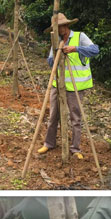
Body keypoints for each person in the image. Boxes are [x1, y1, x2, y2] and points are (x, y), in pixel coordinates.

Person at [38, 12, 99, 160]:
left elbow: (95, 50)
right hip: (58, 84)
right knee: (53, 115)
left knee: (75, 118)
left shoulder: (80, 37)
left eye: (59, 28)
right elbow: (50, 61)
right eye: (55, 28)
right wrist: (57, 55)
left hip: (76, 86)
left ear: (65, 26)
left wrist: (76, 49)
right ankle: (49, 143)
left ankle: (75, 148)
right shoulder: (56, 40)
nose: (58, 31)